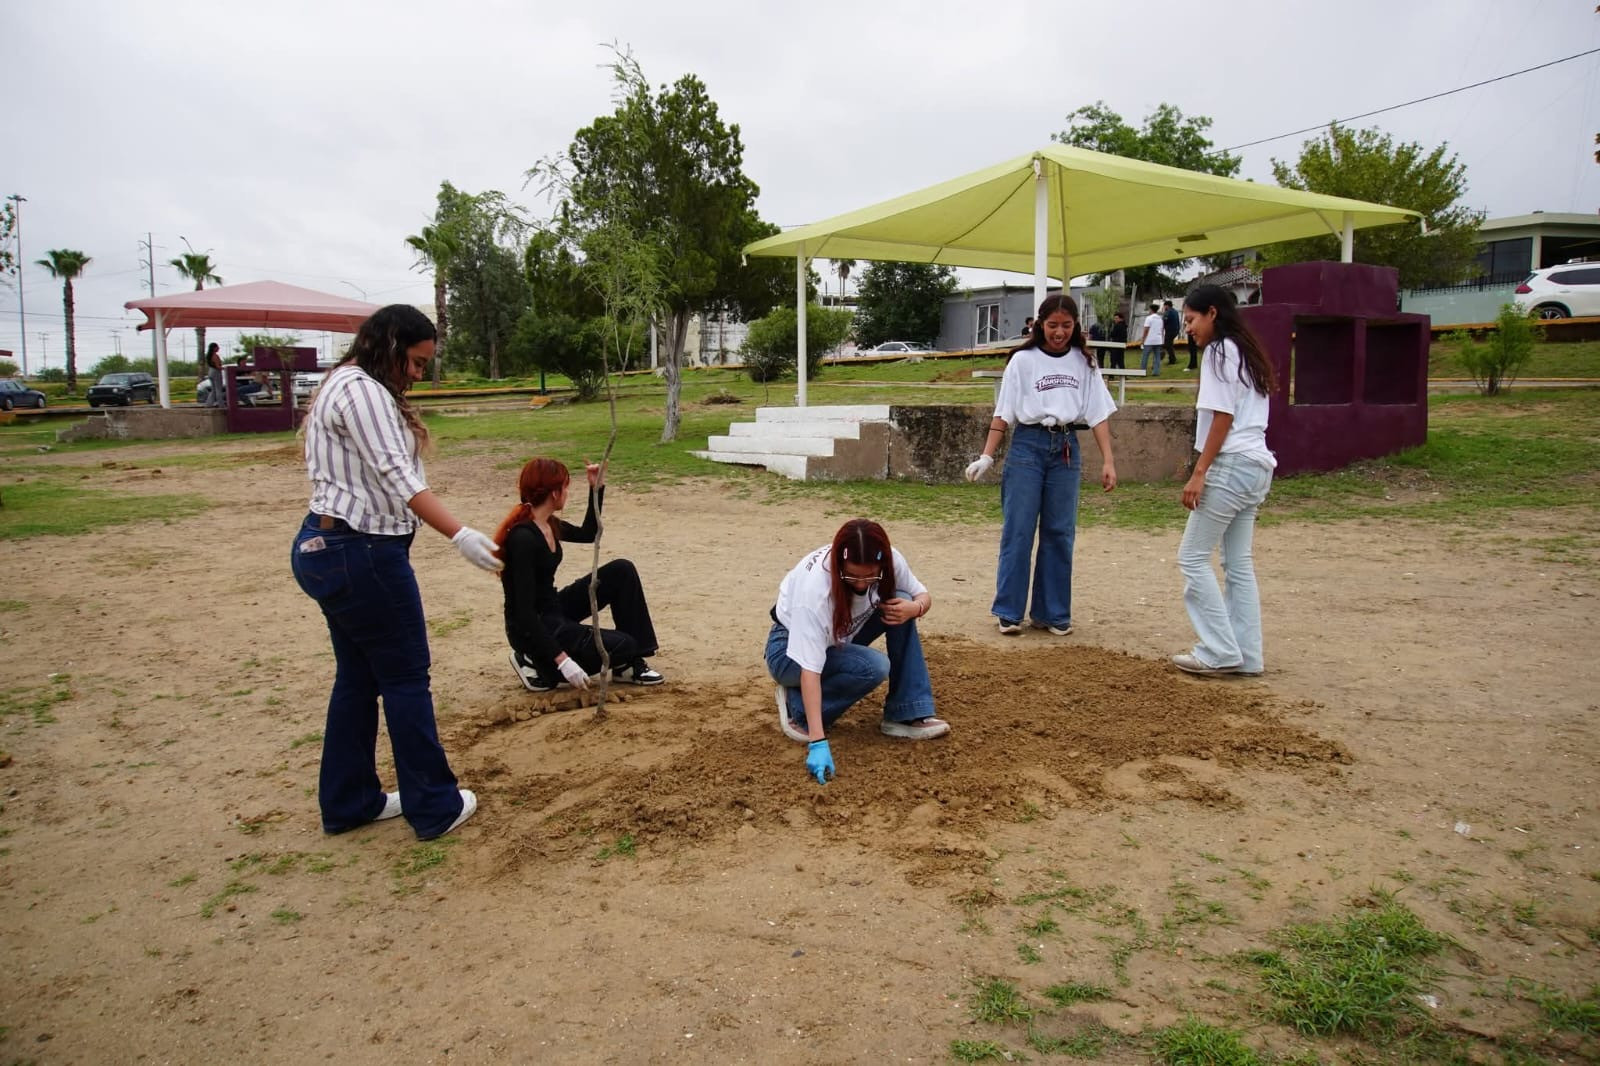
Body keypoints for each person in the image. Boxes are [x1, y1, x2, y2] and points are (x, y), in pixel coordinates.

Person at [290, 304, 497, 840]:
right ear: (388, 346)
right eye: (416, 361)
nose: (418, 374)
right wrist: (459, 533)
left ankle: (350, 800)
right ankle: (434, 805)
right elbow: (398, 475)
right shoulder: (361, 391)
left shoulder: (347, 384)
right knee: (406, 678)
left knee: (358, 679)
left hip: (333, 547)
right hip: (362, 553)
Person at [963, 294, 1118, 636]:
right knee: (1018, 530)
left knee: (1060, 532)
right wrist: (987, 456)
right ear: (1039, 325)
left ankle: (1052, 612)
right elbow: (1003, 412)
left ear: (1076, 326)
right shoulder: (1023, 361)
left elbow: (1098, 414)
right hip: (1027, 447)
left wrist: (1108, 460)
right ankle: (1009, 611)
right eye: (1052, 325)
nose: (1059, 332)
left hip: (1065, 448)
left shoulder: (1085, 363)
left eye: (1067, 325)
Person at [766, 518, 946, 785]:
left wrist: (915, 609)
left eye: (870, 576)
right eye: (852, 576)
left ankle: (906, 712)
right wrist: (818, 742)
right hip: (787, 653)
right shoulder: (815, 593)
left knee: (903, 600)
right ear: (839, 565)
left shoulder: (891, 560)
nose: (861, 584)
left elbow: (922, 596)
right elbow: (810, 670)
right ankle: (797, 708)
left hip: (840, 636)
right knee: (873, 667)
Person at [1171, 284, 1278, 678]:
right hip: (1257, 466)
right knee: (1238, 563)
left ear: (1212, 313)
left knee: (1192, 557)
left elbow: (1223, 416)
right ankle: (1247, 655)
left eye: (1191, 319)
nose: (1188, 328)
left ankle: (1219, 650)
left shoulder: (1218, 352)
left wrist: (1199, 472)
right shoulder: (1246, 352)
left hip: (1231, 465)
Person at [495, 456, 664, 693]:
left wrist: (596, 488)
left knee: (621, 570)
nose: (567, 493)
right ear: (554, 492)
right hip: (531, 626)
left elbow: (588, 533)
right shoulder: (523, 538)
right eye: (566, 487)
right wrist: (562, 660)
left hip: (553, 608)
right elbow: (524, 612)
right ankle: (534, 660)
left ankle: (629, 665)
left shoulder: (548, 523)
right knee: (623, 644)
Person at [1138, 302, 1164, 379]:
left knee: (1145, 356)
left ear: (1151, 310)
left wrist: (1143, 339)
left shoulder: (1149, 318)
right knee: (1157, 356)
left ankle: (1142, 371)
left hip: (1149, 340)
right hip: (1158, 339)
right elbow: (1162, 329)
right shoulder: (1160, 319)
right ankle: (1156, 371)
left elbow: (1146, 329)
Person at [204, 342, 224, 407]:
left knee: (213, 390)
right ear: (214, 348)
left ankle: (209, 403)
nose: (218, 348)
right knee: (218, 389)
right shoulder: (215, 356)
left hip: (211, 372)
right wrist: (224, 368)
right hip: (216, 372)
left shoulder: (209, 356)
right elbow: (217, 366)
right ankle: (221, 404)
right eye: (217, 347)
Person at [1162, 300, 1180, 366]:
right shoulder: (1175, 311)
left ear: (1167, 305)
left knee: (1167, 345)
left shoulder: (1168, 312)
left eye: (1164, 306)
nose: (1164, 307)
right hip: (1176, 330)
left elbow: (1164, 321)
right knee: (1169, 344)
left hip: (1170, 330)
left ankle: (1172, 359)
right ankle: (1172, 358)